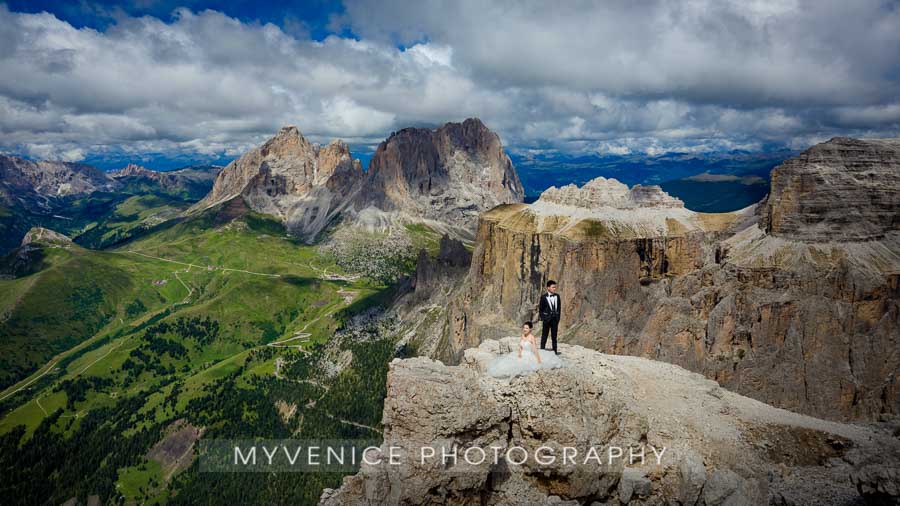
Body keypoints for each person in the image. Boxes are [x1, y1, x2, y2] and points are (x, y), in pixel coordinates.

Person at [486, 322, 562, 378]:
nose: (524, 329)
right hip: (521, 354)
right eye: (524, 328)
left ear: (530, 329)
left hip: (529, 355)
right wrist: (519, 353)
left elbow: (535, 349)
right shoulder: (522, 335)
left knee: (522, 367)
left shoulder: (532, 337)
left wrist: (538, 359)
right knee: (506, 363)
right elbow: (520, 346)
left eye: (526, 328)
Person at [538, 280, 561, 354]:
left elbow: (559, 308)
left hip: (555, 320)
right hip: (546, 320)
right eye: (553, 287)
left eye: (555, 287)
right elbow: (540, 309)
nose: (554, 289)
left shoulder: (557, 296)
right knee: (544, 335)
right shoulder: (543, 297)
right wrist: (543, 318)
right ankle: (541, 351)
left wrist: (558, 318)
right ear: (548, 288)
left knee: (554, 337)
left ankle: (555, 352)